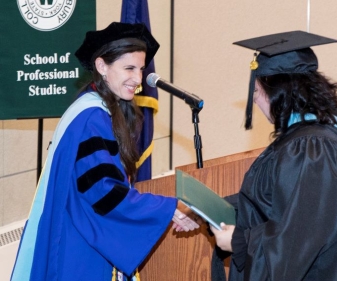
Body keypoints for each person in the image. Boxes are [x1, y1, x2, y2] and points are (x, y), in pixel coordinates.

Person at [210, 31, 337, 280]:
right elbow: (286, 199)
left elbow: (297, 239)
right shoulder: (324, 136)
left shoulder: (314, 150)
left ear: (279, 91)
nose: (254, 101)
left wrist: (240, 242)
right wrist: (212, 208)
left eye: (256, 91)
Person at [11, 22, 199, 281]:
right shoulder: (92, 119)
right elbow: (104, 192)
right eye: (129, 68)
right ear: (102, 67)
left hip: (81, 234)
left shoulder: (94, 110)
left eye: (141, 69)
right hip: (81, 247)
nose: (138, 78)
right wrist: (166, 208)